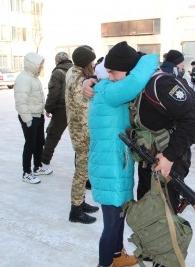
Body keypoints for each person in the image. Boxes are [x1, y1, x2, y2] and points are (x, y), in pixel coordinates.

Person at [86, 41, 158, 267]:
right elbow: (138, 79)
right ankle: (104, 263)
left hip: (115, 164)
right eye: (108, 71)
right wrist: (144, 58)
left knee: (119, 216)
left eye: (113, 71)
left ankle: (117, 256)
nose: (111, 76)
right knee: (112, 224)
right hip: (110, 166)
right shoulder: (111, 92)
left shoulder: (106, 89)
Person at [135, 49, 195, 216]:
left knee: (165, 214)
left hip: (170, 157)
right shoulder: (140, 84)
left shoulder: (161, 83)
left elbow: (194, 119)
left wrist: (169, 156)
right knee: (147, 207)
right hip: (151, 156)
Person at [65, 46, 99, 224]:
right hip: (82, 133)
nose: (93, 64)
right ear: (87, 62)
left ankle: (81, 202)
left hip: (76, 130)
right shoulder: (80, 83)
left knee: (82, 170)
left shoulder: (73, 73)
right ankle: (76, 210)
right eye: (92, 62)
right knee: (81, 172)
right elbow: (84, 114)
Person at [14, 52, 53, 184]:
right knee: (30, 144)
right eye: (40, 64)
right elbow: (21, 102)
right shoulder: (23, 78)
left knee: (39, 142)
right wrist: (28, 120)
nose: (42, 67)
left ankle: (37, 167)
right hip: (29, 117)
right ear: (33, 64)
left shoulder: (33, 77)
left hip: (38, 115)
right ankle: (26, 172)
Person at [41, 52, 73, 165]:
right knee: (80, 137)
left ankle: (44, 159)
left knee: (52, 135)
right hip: (76, 108)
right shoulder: (75, 70)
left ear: (57, 61)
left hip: (61, 109)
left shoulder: (57, 72)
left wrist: (48, 108)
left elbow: (53, 93)